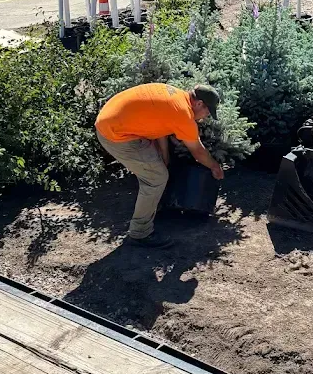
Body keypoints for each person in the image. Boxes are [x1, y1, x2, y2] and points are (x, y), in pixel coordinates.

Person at [96, 83, 224, 249]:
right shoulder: (183, 114)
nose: (205, 116)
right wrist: (215, 167)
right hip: (116, 134)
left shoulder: (176, 96)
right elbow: (198, 152)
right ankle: (140, 234)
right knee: (156, 178)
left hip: (110, 120)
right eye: (207, 111)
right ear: (199, 103)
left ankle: (154, 207)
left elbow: (160, 128)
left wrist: (165, 158)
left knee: (158, 169)